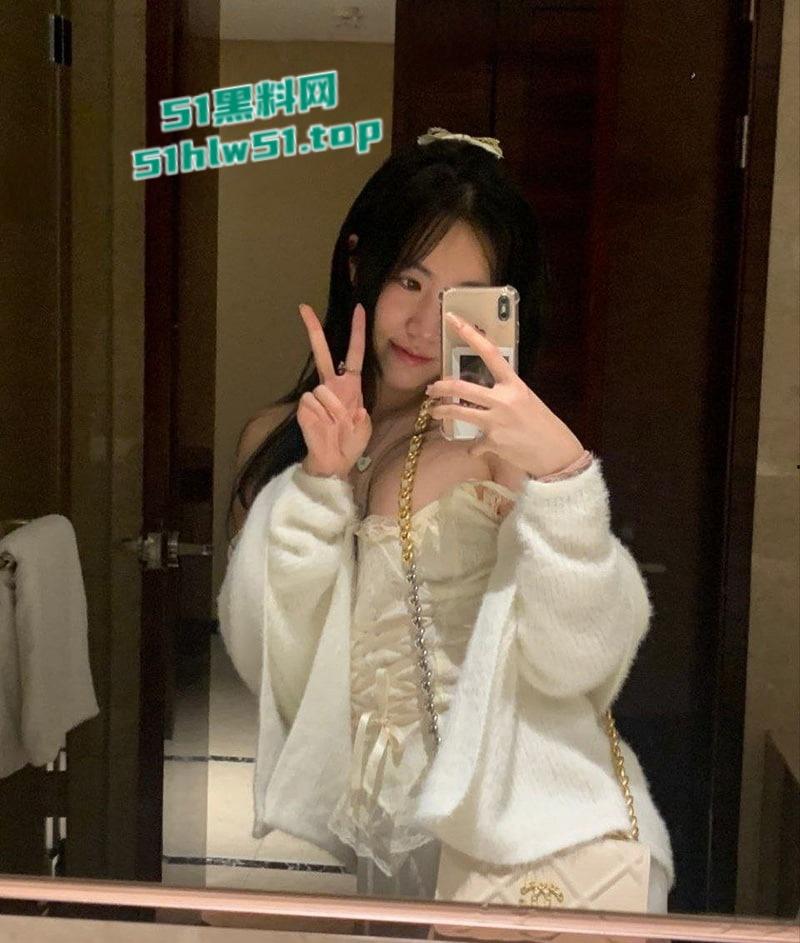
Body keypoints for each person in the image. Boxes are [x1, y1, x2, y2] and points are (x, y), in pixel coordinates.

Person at [219, 129, 675, 926]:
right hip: (391, 827)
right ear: (359, 263)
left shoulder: (497, 443)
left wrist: (564, 479)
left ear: (500, 312)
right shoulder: (279, 440)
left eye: (460, 300)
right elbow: (272, 663)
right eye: (409, 279)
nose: (424, 325)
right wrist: (319, 485)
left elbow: (583, 660)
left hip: (535, 833)